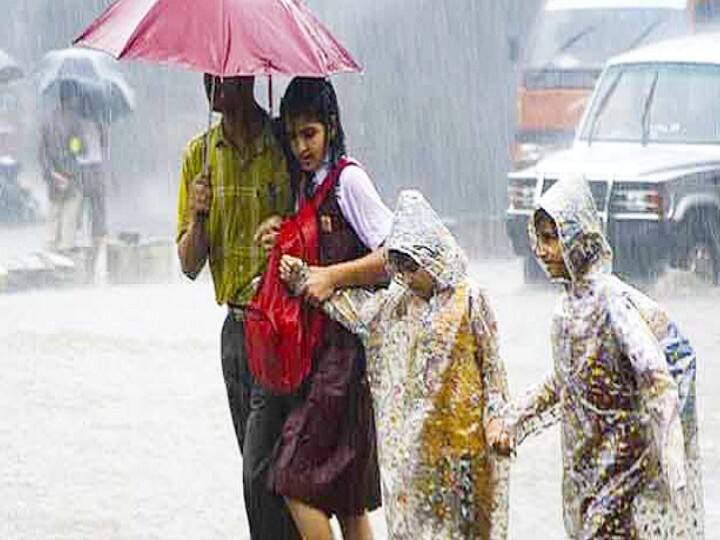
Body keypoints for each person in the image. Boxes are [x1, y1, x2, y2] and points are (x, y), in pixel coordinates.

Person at [281, 189, 511, 539]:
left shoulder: (470, 298)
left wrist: (496, 420)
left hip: (467, 453)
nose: (405, 275)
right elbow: (354, 309)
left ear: (431, 253)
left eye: (411, 264)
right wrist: (302, 278)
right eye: (398, 265)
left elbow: (494, 370)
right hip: (414, 457)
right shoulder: (396, 306)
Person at [500, 177, 704, 538]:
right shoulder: (567, 308)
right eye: (540, 239)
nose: (543, 251)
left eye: (553, 238)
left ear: (578, 239)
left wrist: (672, 458)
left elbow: (656, 376)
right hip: (585, 461)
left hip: (624, 460)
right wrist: (514, 419)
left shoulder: (611, 301)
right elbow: (567, 382)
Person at [261, 76, 391, 540]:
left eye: (309, 134)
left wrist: (334, 276)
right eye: (293, 136)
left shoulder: (349, 181)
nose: (301, 147)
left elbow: (396, 256)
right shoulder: (308, 186)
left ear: (331, 127)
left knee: (291, 479)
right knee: (347, 501)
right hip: (319, 357)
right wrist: (284, 232)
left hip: (347, 358)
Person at [175, 74, 297, 539]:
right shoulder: (199, 157)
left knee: (266, 467)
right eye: (205, 75)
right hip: (237, 333)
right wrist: (198, 216)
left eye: (221, 75)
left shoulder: (284, 147)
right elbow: (189, 262)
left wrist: (284, 234)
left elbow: (315, 228)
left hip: (284, 325)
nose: (211, 84)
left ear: (248, 76)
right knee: (257, 466)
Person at [39, 81, 107, 262]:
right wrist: (75, 146)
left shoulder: (47, 121)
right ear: (71, 99)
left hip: (54, 180)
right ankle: (65, 265)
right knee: (69, 226)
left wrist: (52, 174)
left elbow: (42, 153)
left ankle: (48, 261)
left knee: (52, 224)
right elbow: (79, 149)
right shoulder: (75, 121)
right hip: (72, 178)